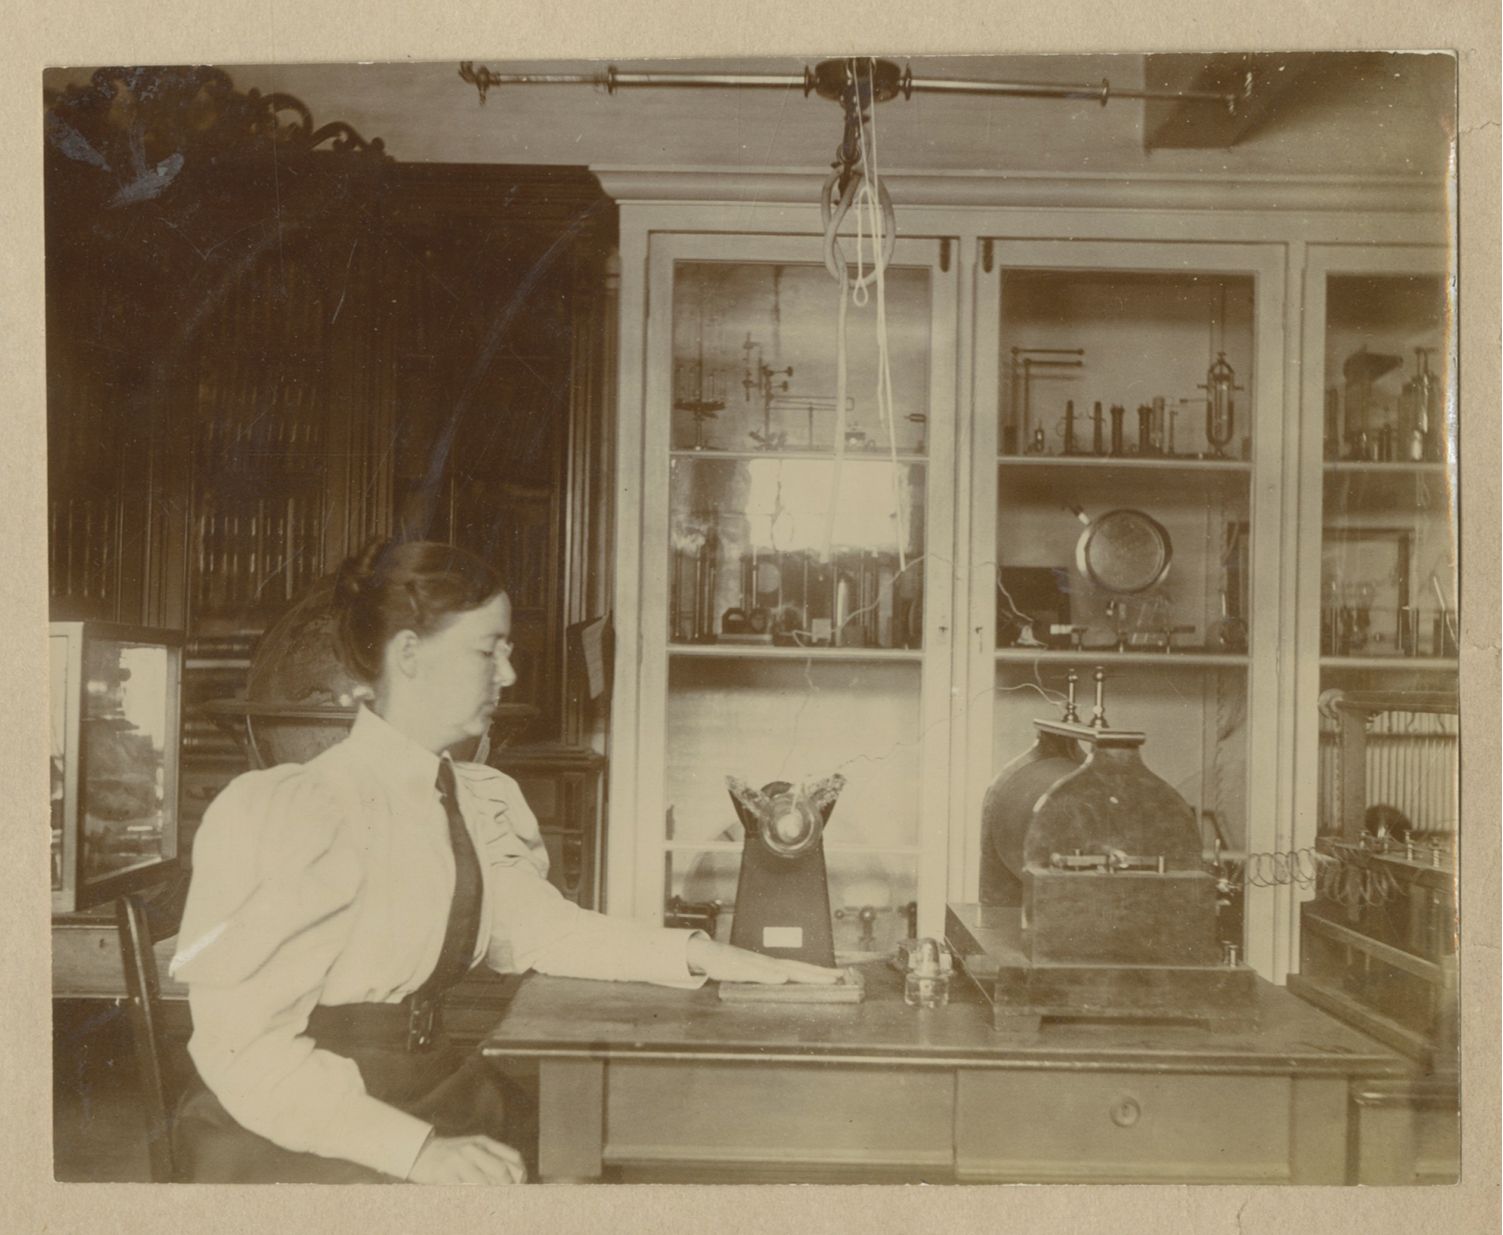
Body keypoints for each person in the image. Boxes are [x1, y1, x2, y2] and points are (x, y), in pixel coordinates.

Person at [169, 539, 840, 1183]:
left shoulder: (469, 796)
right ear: (409, 655)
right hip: (303, 1125)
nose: (509, 674)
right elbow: (242, 1048)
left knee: (612, 1155)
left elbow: (540, 930)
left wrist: (705, 954)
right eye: (487, 650)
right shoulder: (299, 809)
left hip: (431, 1087)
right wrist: (417, 1153)